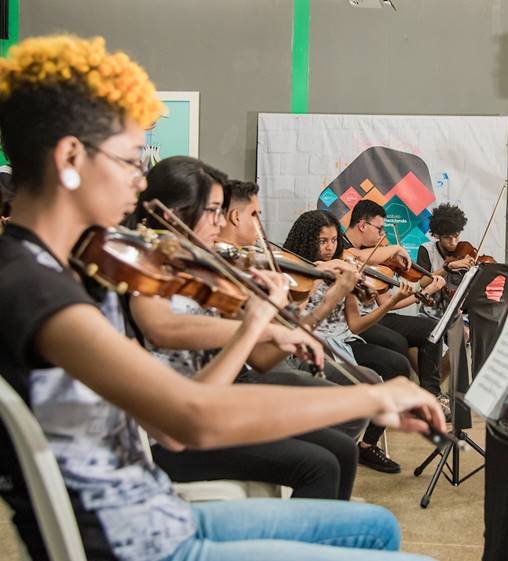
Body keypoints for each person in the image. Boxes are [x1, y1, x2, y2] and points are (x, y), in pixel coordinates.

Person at [0, 34, 442, 561]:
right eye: (130, 161)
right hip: (142, 544)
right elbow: (190, 419)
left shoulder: (66, 270)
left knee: (375, 528)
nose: (140, 184)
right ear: (70, 156)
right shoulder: (37, 291)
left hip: (163, 513)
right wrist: (371, 398)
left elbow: (169, 423)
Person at [126, 159, 362, 502]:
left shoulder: (205, 270)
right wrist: (263, 329)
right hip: (172, 428)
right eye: (212, 211)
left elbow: (262, 359)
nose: (220, 222)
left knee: (342, 450)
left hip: (216, 403)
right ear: (175, 212)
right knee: (319, 465)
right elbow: (163, 327)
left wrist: (287, 316)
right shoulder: (146, 265)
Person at [284, 209, 423, 474]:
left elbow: (356, 325)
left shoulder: (343, 270)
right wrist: (321, 278)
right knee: (366, 379)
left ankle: (367, 445)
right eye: (322, 241)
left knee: (398, 365)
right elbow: (292, 318)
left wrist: (390, 302)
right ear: (307, 241)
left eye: (333, 240)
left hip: (343, 340)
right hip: (311, 343)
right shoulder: (296, 272)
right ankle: (333, 443)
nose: (329, 247)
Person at [342, 201, 449, 410]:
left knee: (431, 329)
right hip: (356, 322)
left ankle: (432, 394)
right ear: (363, 225)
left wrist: (424, 292)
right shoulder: (344, 248)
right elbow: (358, 257)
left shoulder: (375, 254)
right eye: (379, 229)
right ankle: (400, 403)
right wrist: (397, 248)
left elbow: (386, 303)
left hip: (379, 315)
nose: (382, 235)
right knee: (397, 342)